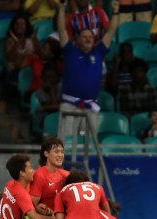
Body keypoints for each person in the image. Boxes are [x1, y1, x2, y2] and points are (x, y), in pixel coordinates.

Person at [57, 0, 120, 138]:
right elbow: (61, 29)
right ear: (77, 39)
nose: (88, 39)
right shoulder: (70, 51)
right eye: (84, 36)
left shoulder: (98, 52)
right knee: (65, 144)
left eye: (90, 37)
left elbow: (111, 31)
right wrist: (61, 9)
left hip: (90, 107)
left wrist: (115, 12)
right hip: (69, 105)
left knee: (89, 147)